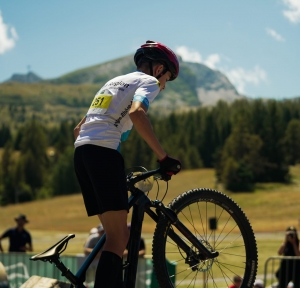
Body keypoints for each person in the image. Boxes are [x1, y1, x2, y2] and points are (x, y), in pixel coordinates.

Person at [73, 40, 181, 287]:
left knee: (115, 235)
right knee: (120, 236)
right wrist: (163, 157)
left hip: (82, 154)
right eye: (167, 79)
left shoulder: (113, 82)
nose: (163, 86)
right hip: (102, 154)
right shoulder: (149, 82)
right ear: (159, 69)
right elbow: (136, 113)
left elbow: (78, 129)